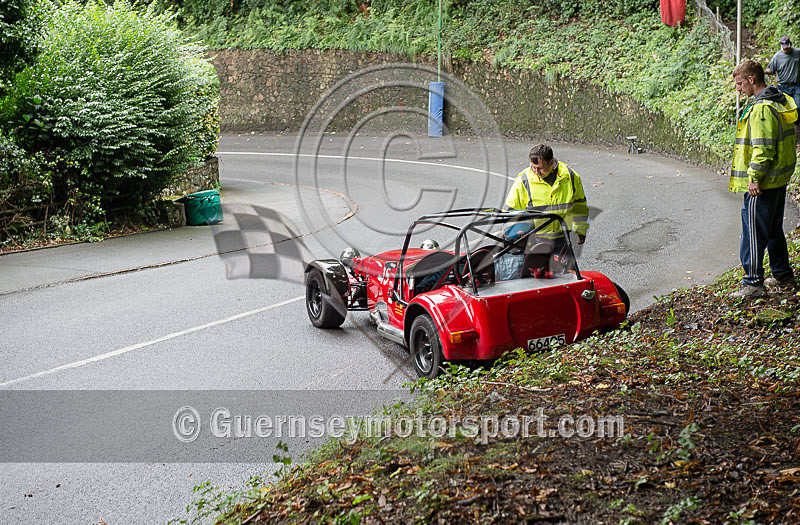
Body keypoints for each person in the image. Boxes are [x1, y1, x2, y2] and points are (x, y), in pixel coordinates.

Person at [730, 60, 798, 298]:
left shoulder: (761, 109)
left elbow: (763, 148)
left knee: (754, 232)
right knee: (773, 229)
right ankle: (782, 274)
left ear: (751, 79)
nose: (738, 89)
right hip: (778, 179)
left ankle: (753, 282)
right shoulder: (779, 101)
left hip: (764, 183)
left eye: (740, 84)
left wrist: (754, 178)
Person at [503, 144, 589, 255]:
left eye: (540, 168)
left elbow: (580, 205)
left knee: (567, 272)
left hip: (562, 239)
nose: (536, 172)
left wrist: (580, 229)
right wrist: (513, 234)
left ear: (551, 162)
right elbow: (510, 211)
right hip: (534, 241)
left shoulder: (570, 176)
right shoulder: (524, 181)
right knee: (537, 272)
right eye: (533, 167)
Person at [765, 36, 800, 133]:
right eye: (784, 48)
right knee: (784, 108)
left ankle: (797, 128)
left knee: (798, 106)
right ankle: (786, 129)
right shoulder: (777, 57)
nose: (786, 49)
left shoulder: (797, 53)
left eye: (787, 47)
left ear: (791, 45)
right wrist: (761, 71)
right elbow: (771, 70)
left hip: (797, 85)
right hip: (783, 86)